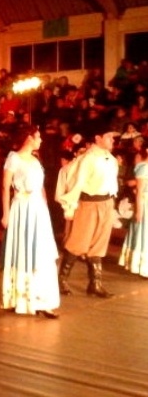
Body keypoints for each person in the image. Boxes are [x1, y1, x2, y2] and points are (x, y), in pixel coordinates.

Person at [0, 124, 60, 318]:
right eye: (38, 137)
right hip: (21, 207)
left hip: (37, 209)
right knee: (22, 249)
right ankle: (19, 297)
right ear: (28, 138)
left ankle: (42, 299)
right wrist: (6, 213)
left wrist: (44, 207)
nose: (40, 140)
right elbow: (5, 186)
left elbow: (41, 187)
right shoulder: (14, 158)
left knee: (41, 252)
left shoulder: (35, 159)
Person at [57, 123, 119, 298]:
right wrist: (70, 206)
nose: (112, 139)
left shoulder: (111, 159)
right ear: (98, 138)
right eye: (108, 136)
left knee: (98, 245)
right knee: (77, 242)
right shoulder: (87, 159)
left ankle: (95, 283)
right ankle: (61, 280)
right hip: (88, 204)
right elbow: (76, 183)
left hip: (106, 203)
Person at [118, 143, 148, 277]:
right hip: (145, 204)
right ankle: (141, 266)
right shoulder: (143, 167)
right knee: (143, 234)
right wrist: (139, 210)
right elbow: (140, 191)